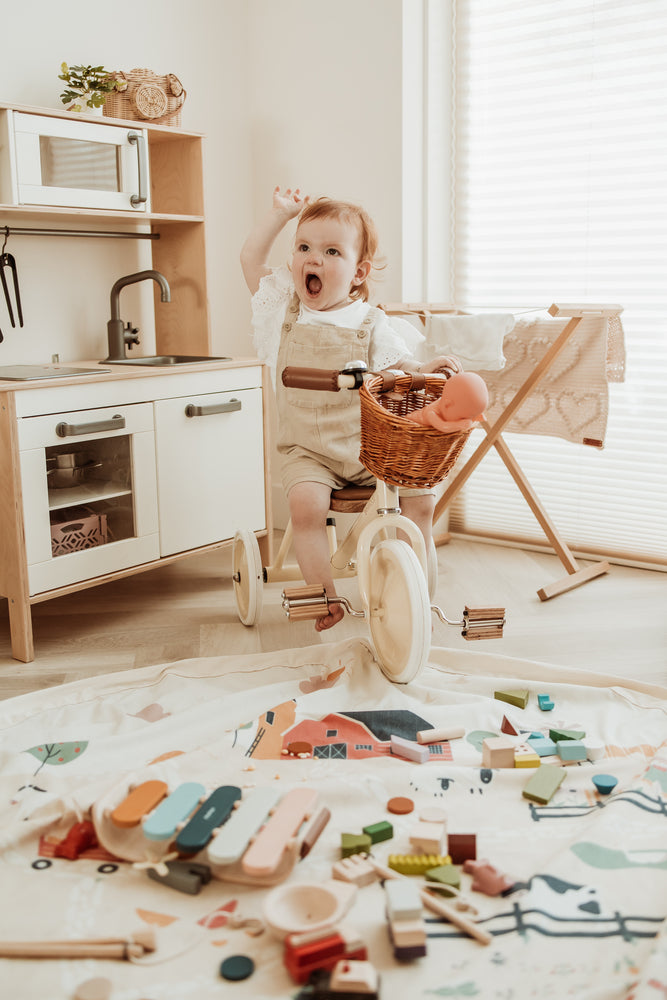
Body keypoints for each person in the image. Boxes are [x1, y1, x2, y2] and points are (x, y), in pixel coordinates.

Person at [240, 187, 461, 631]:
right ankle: (324, 597)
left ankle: (411, 586)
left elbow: (400, 365)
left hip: (368, 451)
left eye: (331, 251)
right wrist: (280, 215)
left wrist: (425, 370)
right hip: (307, 452)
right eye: (304, 247)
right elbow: (249, 260)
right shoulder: (283, 309)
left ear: (359, 272)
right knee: (305, 506)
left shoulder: (371, 322)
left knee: (421, 498)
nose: (313, 259)